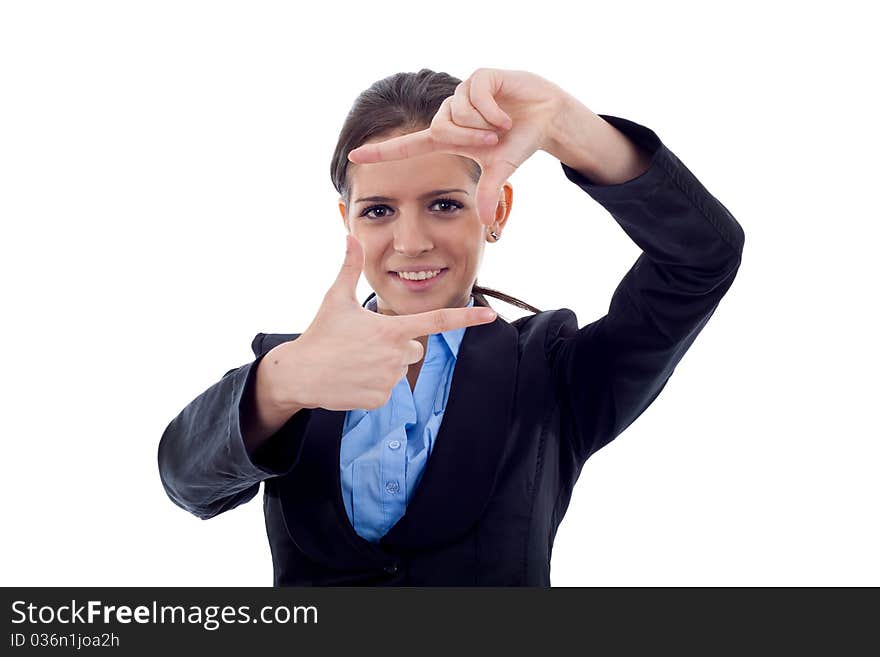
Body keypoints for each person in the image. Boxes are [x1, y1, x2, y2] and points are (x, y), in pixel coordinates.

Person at [158, 67, 745, 586]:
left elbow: (700, 258)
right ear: (348, 222)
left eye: (444, 204)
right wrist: (280, 384)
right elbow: (187, 483)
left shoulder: (554, 374)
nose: (411, 242)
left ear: (496, 210)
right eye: (378, 211)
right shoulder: (294, 369)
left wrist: (569, 125)